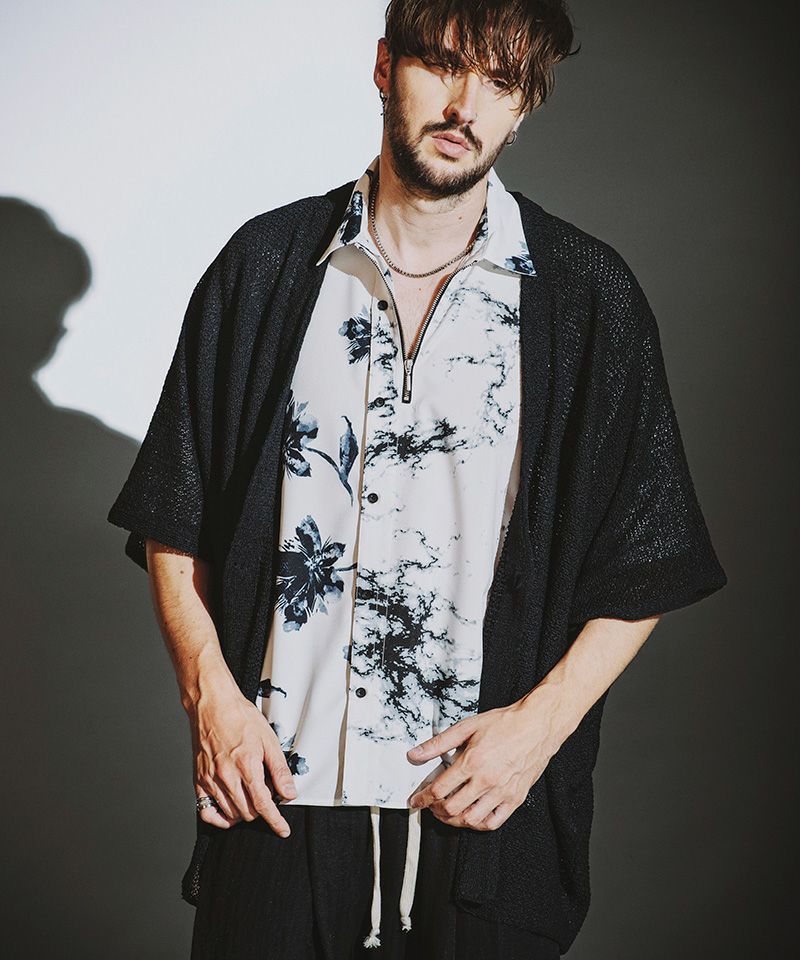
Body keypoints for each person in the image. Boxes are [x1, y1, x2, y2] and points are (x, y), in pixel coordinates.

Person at [107, 2, 728, 957]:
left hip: (483, 808)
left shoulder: (585, 295)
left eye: (501, 83)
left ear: (524, 107)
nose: (465, 107)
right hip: (279, 796)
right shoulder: (267, 267)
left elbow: (647, 554)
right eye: (442, 65)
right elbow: (174, 515)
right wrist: (211, 702)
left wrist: (539, 731)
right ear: (384, 66)